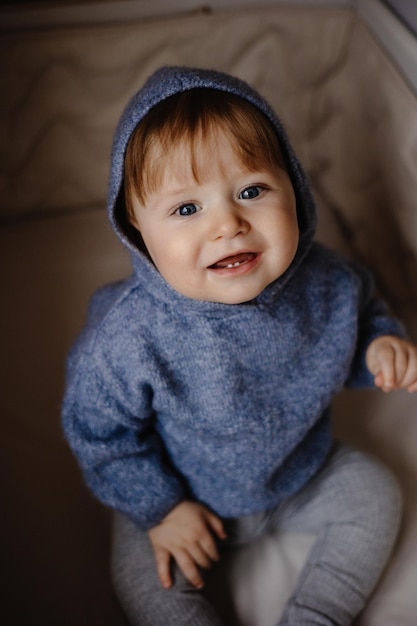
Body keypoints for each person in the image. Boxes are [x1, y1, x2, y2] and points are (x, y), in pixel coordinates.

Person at [62, 66, 417, 625]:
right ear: (135, 231)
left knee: (377, 496)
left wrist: (380, 345)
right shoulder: (128, 338)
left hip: (300, 475)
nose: (228, 223)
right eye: (186, 209)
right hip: (185, 497)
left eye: (252, 191)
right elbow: (99, 434)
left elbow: (360, 317)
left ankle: (316, 614)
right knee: (147, 584)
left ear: (295, 190)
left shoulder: (328, 282)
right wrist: (162, 508)